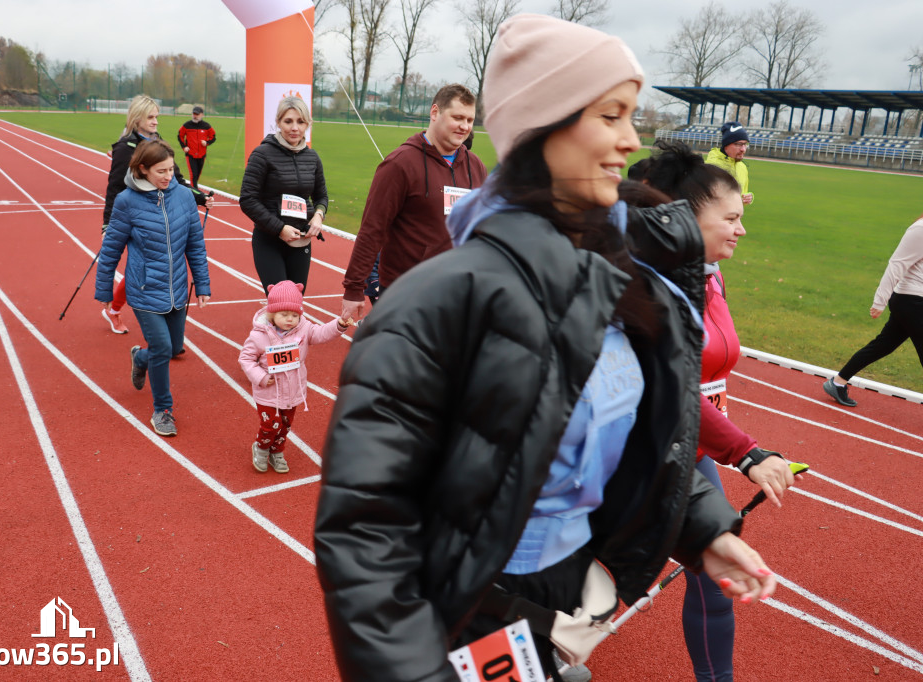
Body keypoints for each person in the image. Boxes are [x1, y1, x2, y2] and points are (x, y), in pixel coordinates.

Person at [314, 14, 776, 682]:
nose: (631, 139)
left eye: (632, 116)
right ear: (543, 125)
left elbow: (646, 429)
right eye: (611, 115)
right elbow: (363, 532)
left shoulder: (622, 276)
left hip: (571, 586)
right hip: (471, 605)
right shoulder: (437, 303)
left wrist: (701, 529)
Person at [636, 142, 796, 682]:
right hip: (641, 449)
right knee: (593, 576)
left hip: (692, 448)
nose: (741, 229)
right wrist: (748, 452)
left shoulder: (707, 275)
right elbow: (670, 391)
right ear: (685, 217)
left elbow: (701, 382)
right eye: (730, 217)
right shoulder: (645, 290)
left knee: (713, 572)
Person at [338, 84, 488, 322]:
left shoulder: (475, 166)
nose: (465, 126)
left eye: (470, 120)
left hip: (457, 291)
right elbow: (372, 229)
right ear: (435, 113)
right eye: (458, 117)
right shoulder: (399, 164)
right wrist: (354, 287)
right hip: (405, 293)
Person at [96, 140, 211, 437]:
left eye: (171, 169)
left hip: (176, 289)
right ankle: (163, 409)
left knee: (171, 348)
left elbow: (196, 245)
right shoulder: (126, 201)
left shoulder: (185, 197)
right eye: (161, 170)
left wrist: (202, 284)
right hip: (144, 289)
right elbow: (111, 249)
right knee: (161, 346)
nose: (168, 176)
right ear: (143, 169)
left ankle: (140, 358)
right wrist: (105, 292)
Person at [101, 95, 207, 334]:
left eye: (157, 116)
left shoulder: (159, 143)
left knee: (158, 266)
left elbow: (177, 180)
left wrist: (200, 197)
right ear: (137, 118)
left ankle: (167, 336)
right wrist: (107, 224)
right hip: (135, 217)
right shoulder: (124, 147)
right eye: (150, 117)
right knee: (141, 269)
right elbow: (115, 187)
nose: (156, 121)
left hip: (163, 212)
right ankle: (115, 310)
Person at [239, 280, 351, 474]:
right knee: (271, 424)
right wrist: (261, 377)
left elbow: (322, 333)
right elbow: (245, 358)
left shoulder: (305, 330)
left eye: (294, 315)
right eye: (284, 315)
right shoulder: (259, 335)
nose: (290, 319)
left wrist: (339, 324)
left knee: (285, 425)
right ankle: (262, 447)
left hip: (292, 390)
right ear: (272, 314)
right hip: (269, 391)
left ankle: (277, 451)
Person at [823, 213, 923, 407]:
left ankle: (838, 382)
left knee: (883, 345)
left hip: (913, 302)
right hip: (912, 302)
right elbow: (897, 263)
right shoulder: (920, 229)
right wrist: (880, 301)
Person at [239, 96, 328, 294]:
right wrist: (279, 229)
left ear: (307, 124)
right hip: (270, 241)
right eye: (288, 121)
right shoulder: (262, 154)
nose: (294, 127)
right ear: (278, 122)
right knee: (280, 301)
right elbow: (247, 199)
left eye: (300, 121)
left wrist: (318, 217)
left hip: (301, 241)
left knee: (294, 304)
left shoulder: (312, 157)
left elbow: (321, 197)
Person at [705, 121, 753, 205]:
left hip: (734, 217)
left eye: (745, 144)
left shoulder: (742, 167)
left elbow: (739, 197)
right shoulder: (713, 167)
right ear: (726, 145)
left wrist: (746, 198)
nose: (743, 149)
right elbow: (706, 200)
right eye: (738, 144)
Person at [177, 105, 216, 188]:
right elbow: (180, 135)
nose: (195, 116)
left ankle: (194, 190)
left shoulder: (206, 126)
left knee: (197, 174)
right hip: (190, 154)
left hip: (202, 155)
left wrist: (207, 142)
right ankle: (196, 193)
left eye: (197, 114)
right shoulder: (187, 125)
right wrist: (184, 147)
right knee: (193, 175)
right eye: (194, 114)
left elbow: (213, 137)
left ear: (202, 115)